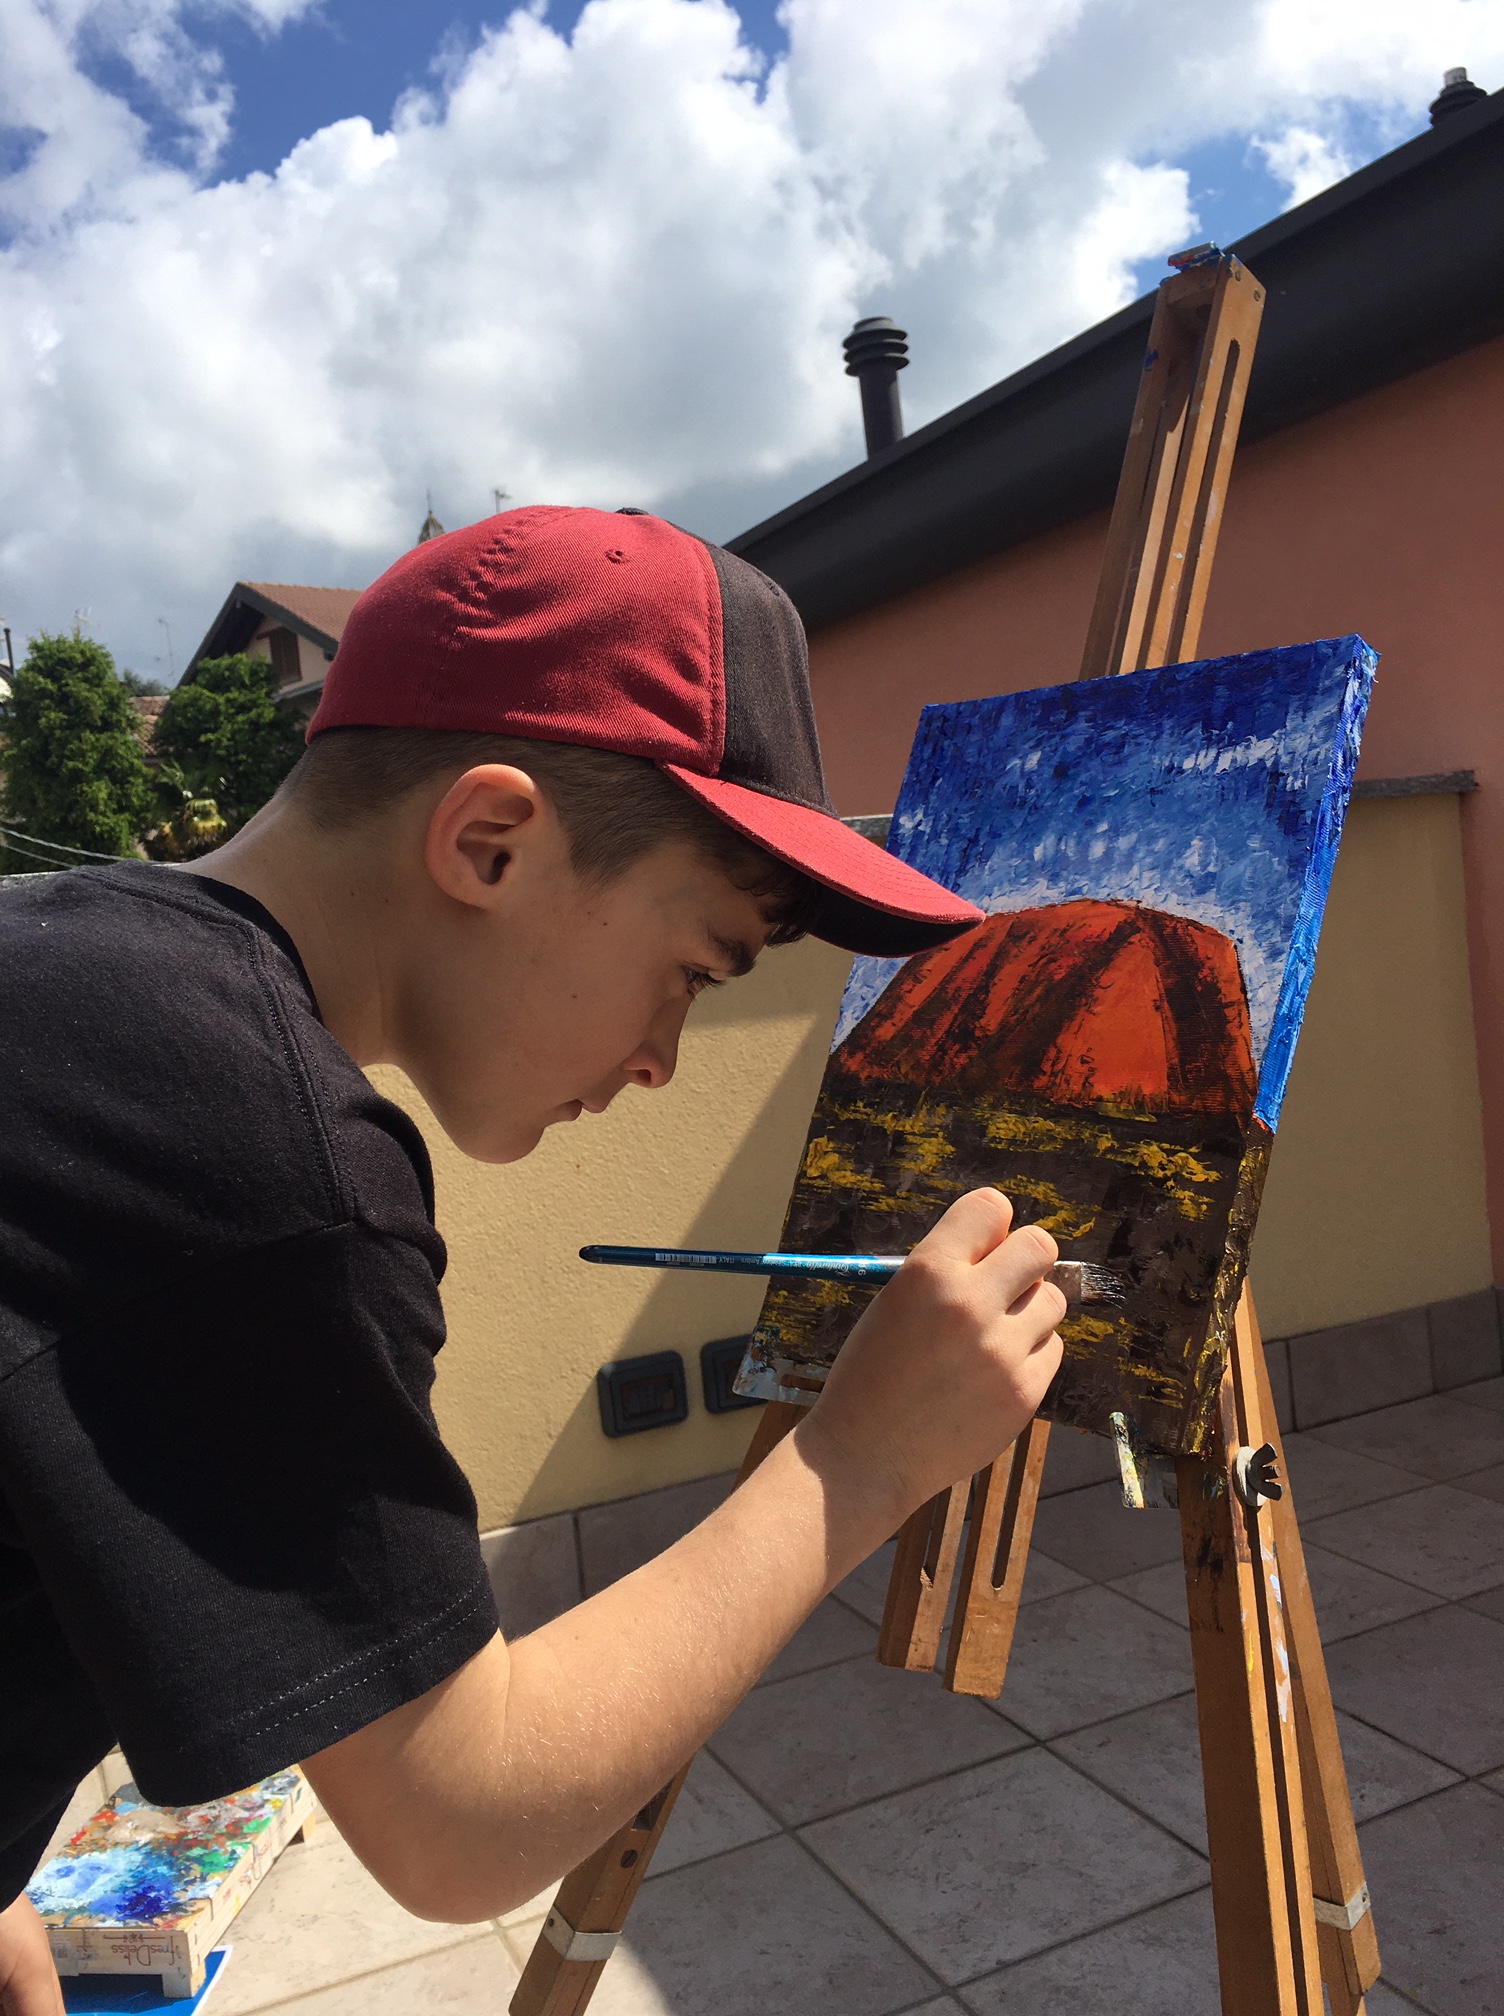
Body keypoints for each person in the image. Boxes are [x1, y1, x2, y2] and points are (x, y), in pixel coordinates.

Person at [0, 507, 1064, 2013]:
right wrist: (862, 1457)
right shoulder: (256, 1152)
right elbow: (460, 1818)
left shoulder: (60, 970)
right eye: (691, 971)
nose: (663, 1058)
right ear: (487, 843)